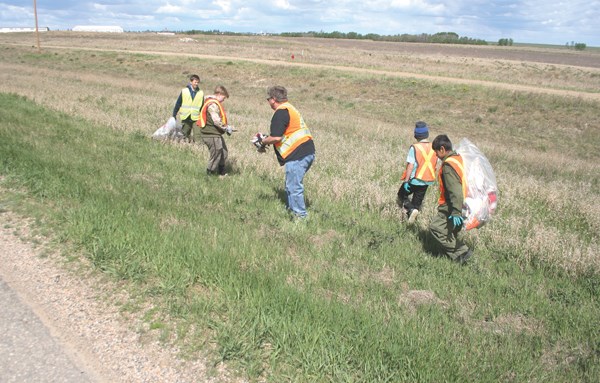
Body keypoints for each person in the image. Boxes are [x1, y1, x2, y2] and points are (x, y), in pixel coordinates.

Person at [260, 86, 315, 219]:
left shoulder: (281, 112)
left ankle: (300, 217)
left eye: (268, 99)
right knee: (291, 185)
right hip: (306, 151)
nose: (268, 102)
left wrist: (263, 141)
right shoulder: (290, 108)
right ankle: (292, 210)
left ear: (273, 99)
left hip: (298, 154)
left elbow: (276, 137)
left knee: (294, 187)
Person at [429, 134, 472, 264]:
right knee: (450, 230)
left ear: (442, 149)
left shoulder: (448, 166)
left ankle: (462, 252)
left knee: (436, 228)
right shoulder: (457, 158)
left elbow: (455, 190)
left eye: (436, 153)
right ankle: (449, 254)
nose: (436, 156)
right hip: (463, 203)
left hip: (451, 206)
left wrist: (455, 212)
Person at [397, 121, 437, 223]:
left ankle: (410, 210)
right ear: (427, 134)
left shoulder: (415, 147)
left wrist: (406, 181)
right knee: (416, 203)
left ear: (416, 135)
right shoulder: (434, 147)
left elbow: (410, 165)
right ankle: (411, 223)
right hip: (427, 181)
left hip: (415, 179)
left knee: (401, 195)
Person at [198, 85, 233, 176]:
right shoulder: (212, 104)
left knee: (223, 153)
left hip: (215, 133)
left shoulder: (212, 102)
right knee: (216, 153)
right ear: (219, 94)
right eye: (223, 98)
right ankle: (210, 174)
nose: (223, 100)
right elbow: (216, 121)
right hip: (210, 133)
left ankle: (221, 172)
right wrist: (226, 128)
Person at [172, 74, 204, 142]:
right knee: (184, 135)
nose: (196, 84)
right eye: (195, 82)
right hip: (186, 117)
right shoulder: (184, 91)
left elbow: (202, 106)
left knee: (198, 136)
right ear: (191, 82)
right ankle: (182, 147)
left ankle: (198, 149)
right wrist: (174, 114)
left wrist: (203, 117)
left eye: (198, 82)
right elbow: (178, 103)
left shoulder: (201, 93)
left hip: (196, 118)